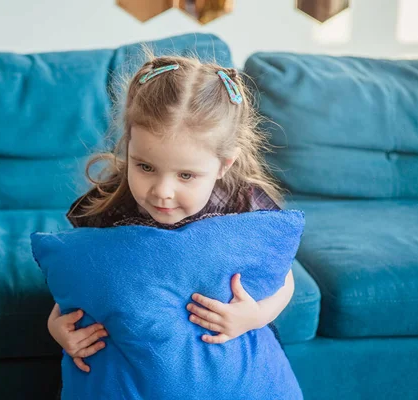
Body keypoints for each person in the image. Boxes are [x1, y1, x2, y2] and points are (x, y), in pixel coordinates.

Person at [47, 54, 295, 377]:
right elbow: (80, 277)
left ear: (224, 164)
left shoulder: (241, 203)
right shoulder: (114, 202)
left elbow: (283, 278)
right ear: (129, 147)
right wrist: (56, 325)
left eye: (186, 176)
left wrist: (255, 316)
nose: (162, 191)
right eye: (145, 166)